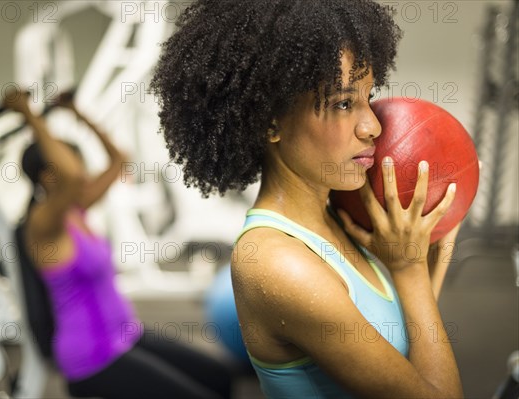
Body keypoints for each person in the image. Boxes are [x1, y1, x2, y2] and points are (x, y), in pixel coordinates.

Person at [150, 0, 464, 398]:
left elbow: (404, 341)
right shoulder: (276, 263)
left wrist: (438, 236)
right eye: (343, 103)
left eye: (370, 97)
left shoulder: (340, 217)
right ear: (271, 121)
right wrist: (409, 269)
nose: (372, 126)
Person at [4, 89, 232, 399]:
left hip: (125, 334)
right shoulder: (42, 226)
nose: (83, 173)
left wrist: (77, 112)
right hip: (93, 358)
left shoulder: (76, 210)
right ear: (47, 177)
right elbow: (70, 177)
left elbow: (118, 159)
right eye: (75, 164)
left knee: (220, 378)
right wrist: (28, 114)